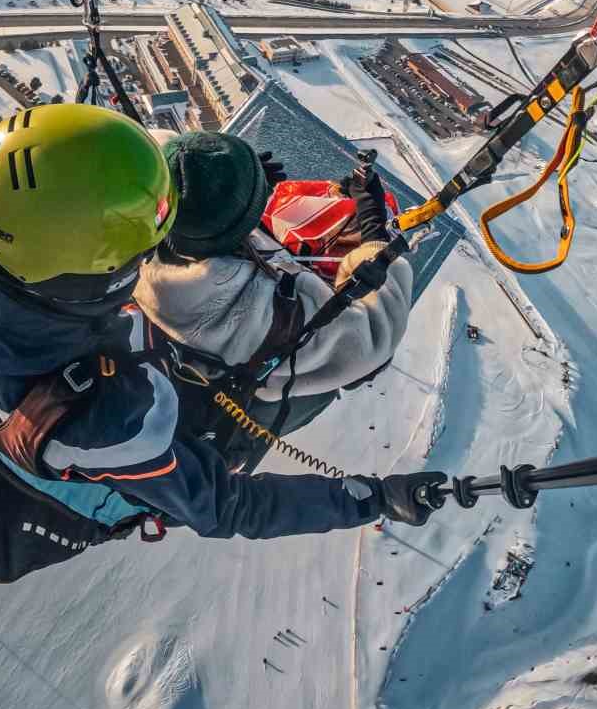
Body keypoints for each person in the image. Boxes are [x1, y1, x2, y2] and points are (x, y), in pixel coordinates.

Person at [0, 104, 442, 567]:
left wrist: (229, 183)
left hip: (16, 393)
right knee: (299, 388)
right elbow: (228, 506)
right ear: (105, 267)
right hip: (113, 452)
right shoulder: (118, 425)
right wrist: (369, 500)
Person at [134, 131, 414, 472]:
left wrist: (226, 187)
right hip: (237, 405)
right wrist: (373, 236)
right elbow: (373, 339)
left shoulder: (124, 249)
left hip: (163, 380)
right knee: (323, 385)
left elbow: (172, 171)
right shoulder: (252, 314)